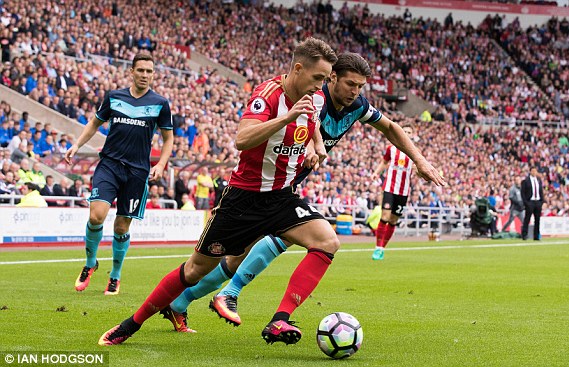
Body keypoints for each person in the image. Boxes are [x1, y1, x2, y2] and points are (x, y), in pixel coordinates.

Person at [162, 54, 446, 333]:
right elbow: (303, 123)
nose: (355, 92)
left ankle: (188, 302)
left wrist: (420, 160)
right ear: (332, 77)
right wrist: (311, 145)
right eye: (350, 84)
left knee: (241, 257)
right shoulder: (312, 95)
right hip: (258, 186)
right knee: (229, 260)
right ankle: (213, 296)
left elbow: (391, 127)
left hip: (284, 187)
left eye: (360, 86)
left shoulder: (357, 106)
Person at [98, 37, 341, 346]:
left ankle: (279, 320)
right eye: (318, 77)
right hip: (243, 199)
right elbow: (242, 140)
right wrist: (287, 117)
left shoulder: (315, 97)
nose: (322, 86)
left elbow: (313, 122)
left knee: (327, 241)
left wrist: (316, 145)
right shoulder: (267, 96)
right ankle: (130, 325)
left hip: (281, 197)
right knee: (195, 270)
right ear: (297, 69)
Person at [65, 53, 174, 296]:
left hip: (137, 172)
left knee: (121, 227)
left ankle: (115, 276)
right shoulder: (114, 97)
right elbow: (94, 123)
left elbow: (168, 139)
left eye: (149, 71)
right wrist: (77, 145)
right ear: (132, 72)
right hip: (110, 165)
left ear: (153, 74)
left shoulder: (160, 103)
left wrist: (161, 164)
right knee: (97, 216)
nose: (145, 75)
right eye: (141, 70)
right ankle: (91, 262)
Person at [370, 123, 417, 260]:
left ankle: (383, 248)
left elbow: (418, 168)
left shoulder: (415, 151)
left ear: (412, 135)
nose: (407, 134)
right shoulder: (391, 148)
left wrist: (421, 174)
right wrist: (376, 173)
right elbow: (384, 163)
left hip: (403, 191)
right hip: (389, 187)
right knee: (384, 216)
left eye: (409, 132)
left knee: (393, 220)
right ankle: (378, 248)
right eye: (405, 131)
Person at [521, 167, 544, 240]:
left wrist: (541, 201)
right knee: (527, 218)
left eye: (535, 171)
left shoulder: (539, 180)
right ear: (530, 172)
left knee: (537, 219)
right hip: (530, 201)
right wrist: (526, 202)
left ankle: (536, 236)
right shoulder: (526, 181)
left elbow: (541, 191)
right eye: (533, 171)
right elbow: (523, 192)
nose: (534, 172)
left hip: (537, 202)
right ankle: (524, 234)